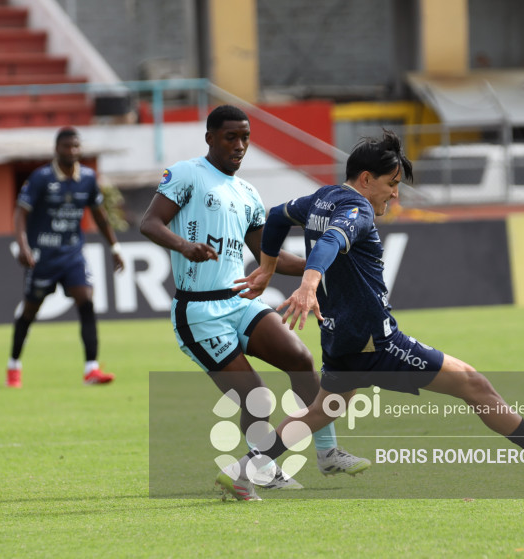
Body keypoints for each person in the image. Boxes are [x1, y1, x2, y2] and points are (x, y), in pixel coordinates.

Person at [217, 129, 524, 501]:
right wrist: (308, 282)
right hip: (374, 340)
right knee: (474, 384)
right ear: (366, 179)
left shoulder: (322, 198)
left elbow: (277, 215)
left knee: (323, 409)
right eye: (391, 184)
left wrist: (267, 266)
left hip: (341, 337)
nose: (395, 194)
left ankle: (243, 470)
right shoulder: (356, 208)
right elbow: (333, 239)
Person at [139, 104, 369, 490]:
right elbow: (149, 222)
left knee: (300, 359)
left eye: (245, 138)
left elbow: (268, 257)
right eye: (231, 137)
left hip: (240, 300)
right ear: (210, 138)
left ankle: (328, 452)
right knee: (256, 396)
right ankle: (258, 471)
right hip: (199, 311)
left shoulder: (247, 193)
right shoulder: (187, 174)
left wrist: (320, 264)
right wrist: (184, 246)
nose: (240, 145)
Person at [8, 127, 124, 388]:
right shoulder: (41, 178)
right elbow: (20, 213)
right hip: (42, 257)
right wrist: (23, 246)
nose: (72, 151)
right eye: (67, 146)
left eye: (76, 146)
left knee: (86, 301)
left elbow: (100, 215)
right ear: (56, 149)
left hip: (72, 254)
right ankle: (13, 365)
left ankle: (91, 369)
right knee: (29, 311)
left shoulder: (88, 178)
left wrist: (115, 247)